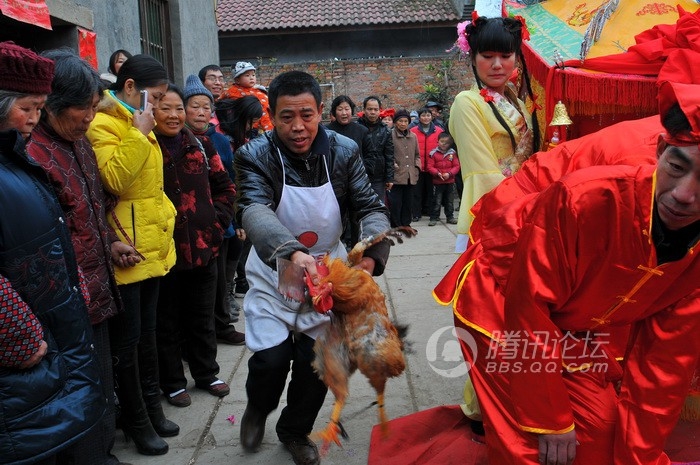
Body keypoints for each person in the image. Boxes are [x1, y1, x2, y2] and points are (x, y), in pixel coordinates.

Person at [434, 49, 700, 465]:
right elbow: (528, 299)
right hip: (506, 286)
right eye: (677, 169)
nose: (684, 196)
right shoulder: (594, 195)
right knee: (540, 445)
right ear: (662, 150)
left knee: (604, 434)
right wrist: (550, 419)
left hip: (577, 311)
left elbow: (663, 362)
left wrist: (641, 457)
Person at [235, 70, 391, 465]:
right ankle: (257, 409)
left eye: (307, 115)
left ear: (321, 111)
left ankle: (294, 430)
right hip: (274, 271)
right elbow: (253, 209)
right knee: (270, 362)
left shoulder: (344, 151)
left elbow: (369, 206)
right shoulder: (254, 155)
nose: (298, 127)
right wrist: (291, 253)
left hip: (329, 274)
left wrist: (369, 258)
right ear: (272, 116)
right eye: (286, 117)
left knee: (318, 364)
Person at [26, 48, 143, 465]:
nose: (91, 117)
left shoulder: (79, 144)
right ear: (51, 105)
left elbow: (89, 209)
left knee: (100, 391)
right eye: (84, 108)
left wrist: (109, 241)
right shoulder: (32, 155)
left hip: (96, 294)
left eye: (96, 107)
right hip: (62, 306)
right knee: (75, 402)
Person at [0, 41, 104, 464]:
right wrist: (19, 334)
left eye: (39, 108)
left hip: (54, 324)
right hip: (24, 348)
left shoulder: (15, 158)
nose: (33, 119)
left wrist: (71, 279)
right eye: (27, 107)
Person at [86, 54, 176, 456]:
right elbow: (114, 181)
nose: (157, 105)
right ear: (129, 88)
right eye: (154, 97)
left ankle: (153, 410)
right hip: (127, 248)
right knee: (129, 341)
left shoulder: (139, 121)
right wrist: (139, 134)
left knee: (148, 336)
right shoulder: (106, 123)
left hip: (151, 242)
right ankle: (136, 421)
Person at [152, 84, 236, 408]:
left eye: (178, 109)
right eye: (166, 108)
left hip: (203, 246)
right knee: (167, 321)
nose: (174, 115)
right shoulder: (147, 145)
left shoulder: (200, 144)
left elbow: (225, 187)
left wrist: (216, 223)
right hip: (164, 250)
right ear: (152, 111)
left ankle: (206, 373)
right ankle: (173, 382)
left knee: (202, 317)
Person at [449, 13, 540, 253]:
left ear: (517, 58)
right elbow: (482, 173)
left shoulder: (517, 103)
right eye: (487, 56)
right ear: (473, 57)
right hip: (494, 212)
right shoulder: (467, 103)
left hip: (526, 206)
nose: (497, 64)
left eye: (506, 56)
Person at [183, 75, 247, 344]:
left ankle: (222, 325)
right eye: (195, 106)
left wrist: (229, 218)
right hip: (189, 224)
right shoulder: (175, 139)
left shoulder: (219, 141)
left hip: (219, 221)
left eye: (206, 107)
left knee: (219, 280)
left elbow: (230, 179)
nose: (201, 112)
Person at [216, 95, 264, 322]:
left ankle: (229, 293)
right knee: (233, 243)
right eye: (251, 121)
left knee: (239, 245)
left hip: (240, 193)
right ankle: (225, 297)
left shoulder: (244, 136)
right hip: (227, 197)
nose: (252, 126)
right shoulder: (224, 136)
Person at [358, 95, 394, 202]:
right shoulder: (356, 128)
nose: (372, 112)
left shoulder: (385, 130)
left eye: (375, 109)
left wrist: (389, 178)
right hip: (359, 175)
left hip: (378, 176)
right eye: (369, 109)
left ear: (380, 111)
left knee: (378, 205)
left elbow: (389, 155)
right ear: (364, 110)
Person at [388, 109, 420, 227]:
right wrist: (393, 165)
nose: (403, 123)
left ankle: (406, 224)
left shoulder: (413, 136)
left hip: (410, 176)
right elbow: (387, 153)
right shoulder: (390, 135)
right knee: (395, 203)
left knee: (408, 202)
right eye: (400, 121)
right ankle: (396, 225)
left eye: (405, 121)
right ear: (395, 122)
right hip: (396, 175)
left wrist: (416, 168)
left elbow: (417, 155)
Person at [411, 106, 443, 221]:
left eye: (428, 115)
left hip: (432, 166)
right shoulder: (413, 131)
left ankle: (431, 212)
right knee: (416, 191)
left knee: (432, 191)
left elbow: (443, 147)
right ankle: (416, 213)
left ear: (431, 117)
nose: (426, 118)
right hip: (418, 166)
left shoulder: (438, 131)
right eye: (423, 115)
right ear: (419, 117)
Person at [221, 61, 273, 132]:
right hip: (249, 127)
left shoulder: (259, 90)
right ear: (237, 80)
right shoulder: (233, 92)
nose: (251, 78)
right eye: (247, 75)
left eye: (253, 75)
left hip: (266, 123)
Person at [427, 132, 459, 226]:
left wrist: (449, 174)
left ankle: (450, 217)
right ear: (438, 142)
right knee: (436, 201)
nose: (444, 144)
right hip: (437, 182)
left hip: (450, 181)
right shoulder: (433, 153)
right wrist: (437, 173)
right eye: (442, 141)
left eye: (447, 142)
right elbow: (430, 167)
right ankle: (434, 217)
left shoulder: (452, 153)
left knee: (449, 201)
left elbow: (456, 166)